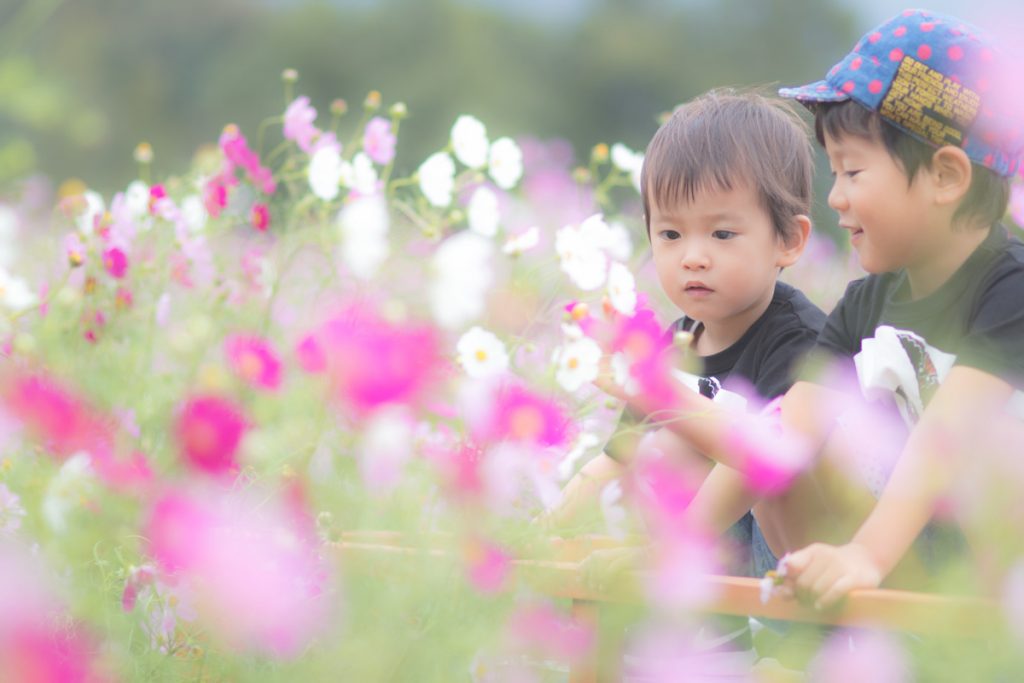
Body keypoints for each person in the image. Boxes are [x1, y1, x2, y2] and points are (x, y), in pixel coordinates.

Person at [649, 9, 1024, 611]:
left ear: (946, 176)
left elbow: (947, 439)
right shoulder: (864, 305)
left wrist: (866, 555)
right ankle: (830, 644)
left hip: (991, 575)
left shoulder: (1009, 291)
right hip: (896, 557)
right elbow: (781, 439)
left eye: (852, 170)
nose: (835, 197)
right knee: (779, 457)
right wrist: (672, 549)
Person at [542, 89, 827, 663]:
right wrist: (546, 525)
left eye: (721, 234)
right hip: (709, 558)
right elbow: (615, 456)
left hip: (791, 566)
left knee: (695, 430)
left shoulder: (798, 337)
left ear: (789, 241)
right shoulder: (679, 341)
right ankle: (705, 638)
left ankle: (728, 633)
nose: (692, 256)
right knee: (662, 440)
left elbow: (755, 463)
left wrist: (668, 551)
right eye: (671, 234)